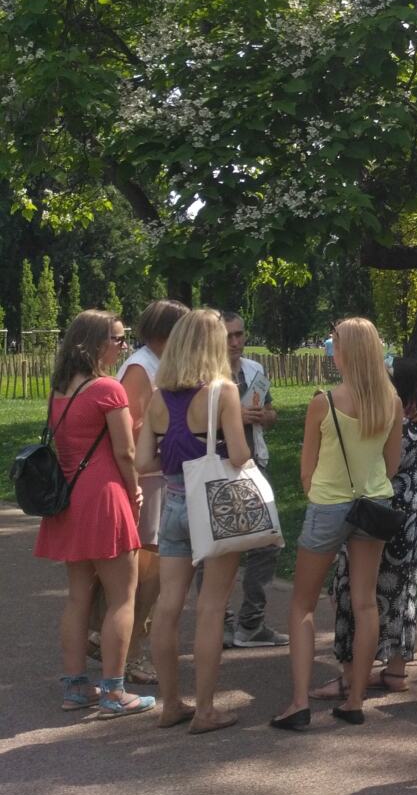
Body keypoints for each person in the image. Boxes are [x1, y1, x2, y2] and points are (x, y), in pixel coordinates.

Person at [271, 318, 404, 732]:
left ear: (344, 352)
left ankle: (298, 702)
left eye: (335, 344)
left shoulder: (323, 402)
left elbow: (306, 467)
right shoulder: (391, 401)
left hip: (329, 505)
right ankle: (356, 699)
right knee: (365, 603)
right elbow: (393, 463)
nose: (332, 351)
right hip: (373, 503)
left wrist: (317, 489)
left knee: (302, 604)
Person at [139, 309, 254, 733]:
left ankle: (171, 702)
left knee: (169, 605)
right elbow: (240, 456)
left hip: (172, 501)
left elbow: (141, 460)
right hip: (214, 504)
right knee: (211, 606)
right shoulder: (222, 390)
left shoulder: (157, 395)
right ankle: (205, 709)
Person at [36, 310, 155, 718]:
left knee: (78, 597)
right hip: (105, 496)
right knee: (123, 597)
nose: (123, 347)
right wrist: (135, 487)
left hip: (69, 497)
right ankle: (114, 691)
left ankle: (74, 688)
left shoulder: (59, 389)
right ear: (96, 343)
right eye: (118, 340)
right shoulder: (107, 388)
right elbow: (124, 451)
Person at [313, 356, 417, 702]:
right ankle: (396, 670)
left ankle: (351, 676)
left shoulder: (392, 425)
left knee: (353, 592)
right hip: (413, 522)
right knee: (401, 594)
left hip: (376, 516)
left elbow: (383, 467)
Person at [103, 298, 188, 684]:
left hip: (159, 478)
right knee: (147, 573)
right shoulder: (141, 368)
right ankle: (133, 653)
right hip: (149, 482)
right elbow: (133, 430)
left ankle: (129, 646)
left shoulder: (158, 364)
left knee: (154, 571)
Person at [215, 310, 287, 648]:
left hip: (255, 463)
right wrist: (232, 415)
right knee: (215, 549)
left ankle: (251, 623)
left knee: (267, 542)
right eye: (228, 336)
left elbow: (271, 414)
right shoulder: (205, 375)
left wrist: (264, 415)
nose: (235, 342)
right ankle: (218, 622)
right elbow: (191, 424)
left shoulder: (254, 369)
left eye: (239, 334)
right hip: (217, 467)